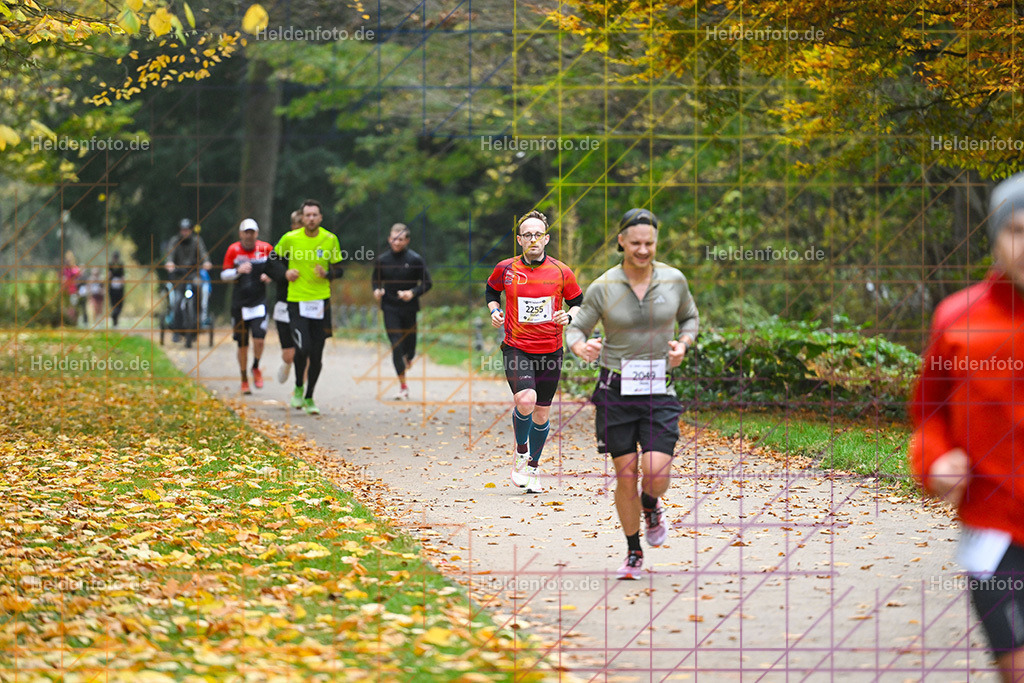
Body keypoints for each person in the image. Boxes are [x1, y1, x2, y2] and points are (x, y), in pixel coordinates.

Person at [910, 172, 1024, 681]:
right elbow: (929, 415)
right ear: (996, 238)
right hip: (995, 530)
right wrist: (935, 460)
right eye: (1017, 231)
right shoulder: (957, 319)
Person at [566, 208, 699, 580]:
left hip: (659, 389)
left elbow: (690, 317)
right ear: (621, 241)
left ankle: (651, 504)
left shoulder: (674, 280)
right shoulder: (603, 286)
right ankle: (633, 551)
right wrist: (580, 347)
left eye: (650, 243)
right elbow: (576, 329)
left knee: (655, 471)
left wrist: (684, 343)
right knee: (626, 474)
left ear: (657, 243)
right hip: (616, 390)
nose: (643, 250)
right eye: (636, 243)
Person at [486, 210, 583, 494]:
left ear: (546, 238)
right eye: (527, 235)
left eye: (538, 234)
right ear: (519, 239)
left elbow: (577, 301)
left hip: (551, 350)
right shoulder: (505, 268)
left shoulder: (561, 271)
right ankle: (520, 452)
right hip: (517, 347)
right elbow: (491, 292)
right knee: (525, 400)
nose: (533, 239)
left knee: (541, 413)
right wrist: (495, 310)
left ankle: (533, 468)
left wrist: (571, 316)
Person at [265, 199, 344, 415]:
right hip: (297, 301)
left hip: (320, 303)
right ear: (302, 218)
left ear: (320, 218)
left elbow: (339, 270)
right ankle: (299, 386)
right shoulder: (290, 239)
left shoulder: (330, 239)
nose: (310, 219)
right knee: (303, 347)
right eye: (307, 215)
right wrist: (285, 273)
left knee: (317, 354)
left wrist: (327, 274)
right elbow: (271, 262)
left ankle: (309, 396)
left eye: (314, 215)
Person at [372, 223, 433, 399]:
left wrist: (412, 292)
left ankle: (408, 356)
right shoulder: (382, 260)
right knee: (396, 345)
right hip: (389, 307)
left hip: (409, 308)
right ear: (388, 238)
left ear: (407, 240)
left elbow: (427, 283)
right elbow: (375, 281)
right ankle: (403, 386)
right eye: (393, 238)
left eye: (400, 239)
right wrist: (377, 290)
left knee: (409, 348)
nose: (396, 242)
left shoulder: (415, 260)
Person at [222, 219, 274, 394]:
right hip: (239, 304)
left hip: (259, 302)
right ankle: (244, 378)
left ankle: (256, 366)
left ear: (257, 234)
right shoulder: (233, 250)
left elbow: (276, 268)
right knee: (242, 345)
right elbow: (223, 274)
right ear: (241, 234)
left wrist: (269, 275)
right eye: (246, 232)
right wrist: (237, 271)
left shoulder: (266, 249)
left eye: (252, 232)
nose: (249, 235)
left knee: (259, 339)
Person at [164, 218, 212, 337]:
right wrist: (169, 263)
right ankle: (176, 328)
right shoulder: (175, 241)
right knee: (177, 300)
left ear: (191, 230)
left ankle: (200, 317)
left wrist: (206, 262)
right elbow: (170, 255)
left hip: (193, 274)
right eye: (183, 230)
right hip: (179, 276)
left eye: (187, 230)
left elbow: (203, 254)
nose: (185, 233)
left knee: (199, 289)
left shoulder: (197, 241)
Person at [273, 210, 302, 385]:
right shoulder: (284, 244)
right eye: (300, 223)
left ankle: (304, 391)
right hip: (284, 301)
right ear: (293, 226)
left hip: (306, 302)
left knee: (306, 350)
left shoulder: (315, 244)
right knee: (289, 354)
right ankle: (287, 363)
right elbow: (271, 265)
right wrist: (284, 273)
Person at [61, 251, 81, 326]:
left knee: (73, 309)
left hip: (74, 291)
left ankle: (74, 323)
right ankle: (70, 323)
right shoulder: (64, 270)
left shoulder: (75, 269)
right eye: (67, 260)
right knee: (68, 309)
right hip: (66, 292)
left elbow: (79, 280)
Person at [108, 252, 125, 327]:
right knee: (114, 305)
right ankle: (114, 320)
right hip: (112, 288)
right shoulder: (110, 265)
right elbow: (109, 275)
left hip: (119, 288)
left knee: (120, 305)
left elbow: (122, 276)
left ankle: (115, 318)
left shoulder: (121, 265)